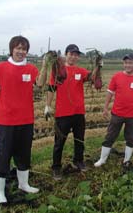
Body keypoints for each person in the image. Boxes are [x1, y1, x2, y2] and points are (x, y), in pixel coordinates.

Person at [0, 35, 48, 205]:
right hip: (7, 121)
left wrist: (44, 66)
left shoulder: (31, 69)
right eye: (18, 48)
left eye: (24, 49)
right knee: (3, 156)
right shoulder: (1, 67)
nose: (21, 51)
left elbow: (40, 83)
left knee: (24, 154)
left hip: (26, 120)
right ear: (12, 49)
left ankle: (24, 184)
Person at [44, 44, 101, 180]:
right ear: (66, 54)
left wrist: (98, 65)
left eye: (76, 55)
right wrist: (47, 105)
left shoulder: (80, 71)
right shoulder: (59, 70)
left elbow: (92, 78)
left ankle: (78, 160)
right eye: (71, 54)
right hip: (63, 113)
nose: (74, 57)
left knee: (79, 139)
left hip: (78, 112)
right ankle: (56, 167)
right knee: (59, 142)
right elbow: (51, 88)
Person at [94, 53, 133, 168]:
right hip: (117, 113)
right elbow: (110, 93)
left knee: (130, 138)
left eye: (130, 63)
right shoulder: (117, 76)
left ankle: (126, 160)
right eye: (126, 63)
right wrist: (105, 108)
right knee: (110, 136)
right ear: (123, 64)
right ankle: (102, 159)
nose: (128, 65)